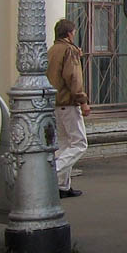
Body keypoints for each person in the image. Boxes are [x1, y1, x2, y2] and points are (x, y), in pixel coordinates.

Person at [46, 18, 91, 198]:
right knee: (80, 143)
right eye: (73, 32)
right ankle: (53, 172)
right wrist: (83, 101)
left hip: (55, 104)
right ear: (69, 34)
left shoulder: (51, 50)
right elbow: (73, 78)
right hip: (68, 103)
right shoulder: (69, 50)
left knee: (64, 144)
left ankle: (62, 186)